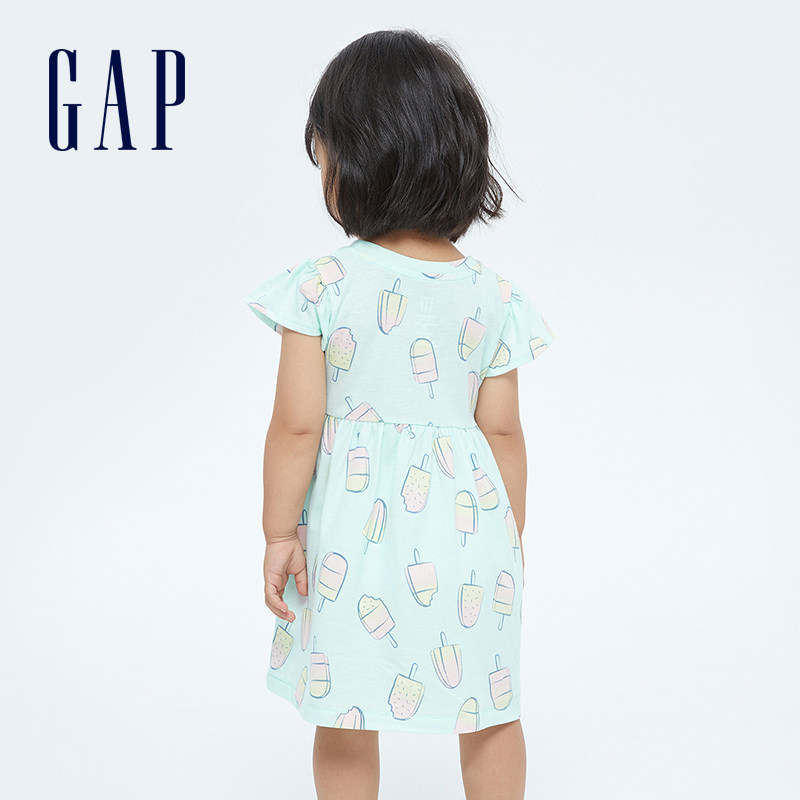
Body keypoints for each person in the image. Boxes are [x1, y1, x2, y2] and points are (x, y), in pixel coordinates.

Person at [243, 28, 555, 800]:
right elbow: (504, 432)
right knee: (490, 709)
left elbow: (297, 427)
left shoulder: (321, 286)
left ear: (354, 160)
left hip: (352, 542)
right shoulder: (494, 296)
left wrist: (279, 533)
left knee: (346, 713)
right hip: (472, 538)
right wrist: (506, 540)